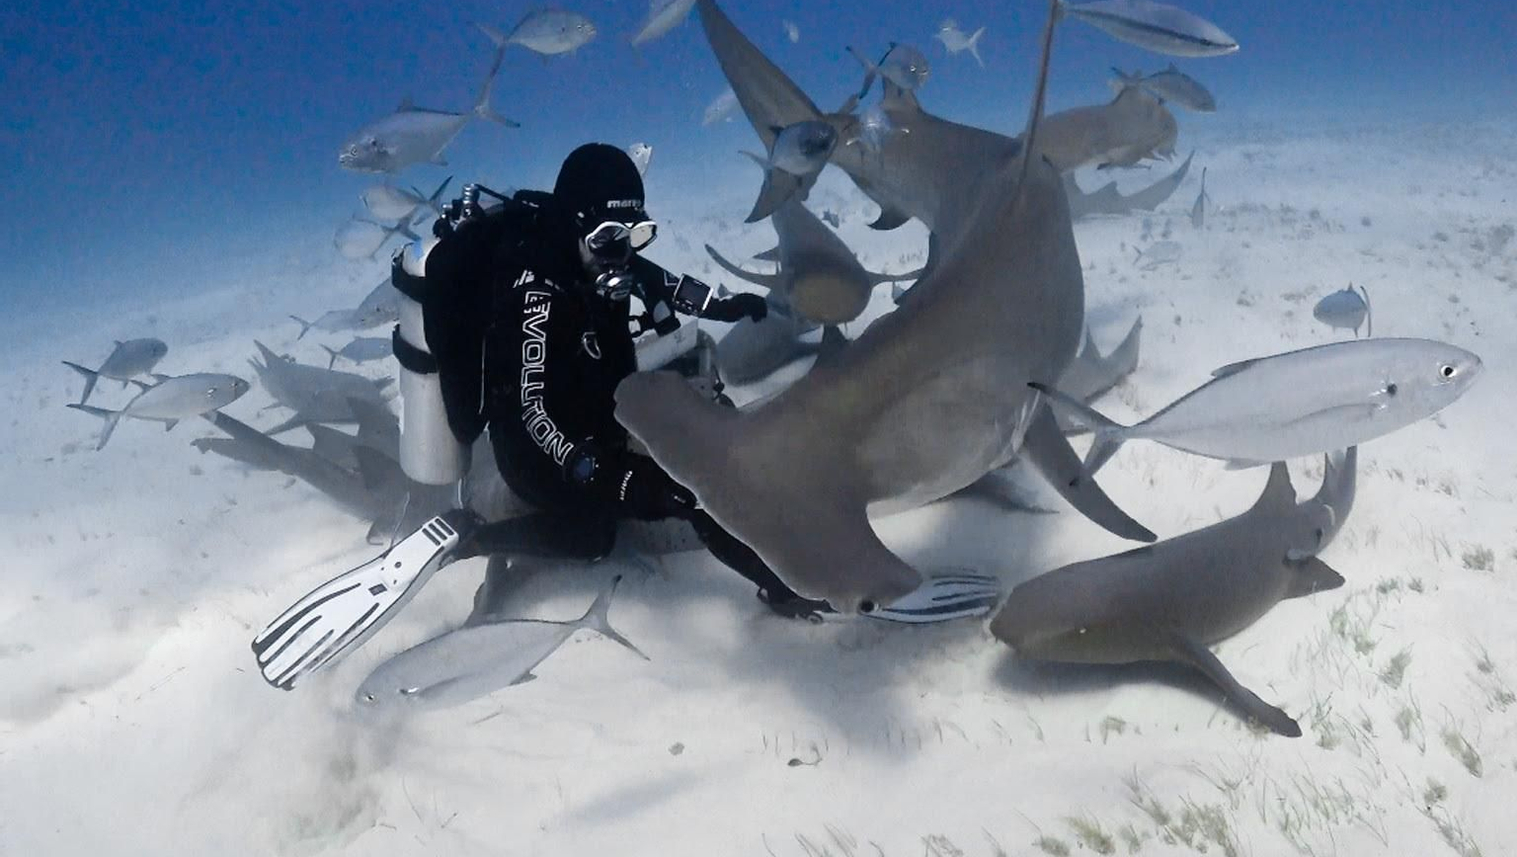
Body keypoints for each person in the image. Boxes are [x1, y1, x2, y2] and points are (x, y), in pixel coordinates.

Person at [252, 143, 993, 692]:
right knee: (600, 527)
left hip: (596, 404)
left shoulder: (591, 248)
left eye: (633, 234)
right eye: (612, 239)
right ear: (576, 226)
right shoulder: (536, 298)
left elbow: (657, 278)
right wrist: (608, 478)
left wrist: (726, 303)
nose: (623, 255)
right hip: (537, 444)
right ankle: (471, 538)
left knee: (686, 475)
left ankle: (774, 581)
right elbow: (538, 416)